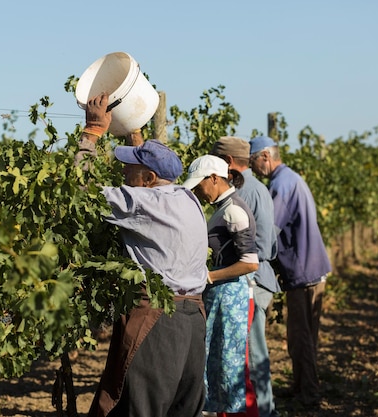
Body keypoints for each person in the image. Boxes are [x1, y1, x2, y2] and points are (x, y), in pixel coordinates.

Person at [77, 93, 210, 417]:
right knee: (181, 408)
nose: (123, 173)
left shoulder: (145, 203)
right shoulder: (186, 198)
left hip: (158, 321)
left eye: (130, 169)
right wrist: (133, 130)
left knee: (140, 408)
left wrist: (92, 132)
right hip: (192, 319)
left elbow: (81, 191)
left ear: (149, 179)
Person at [248, 136, 332, 407]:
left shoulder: (281, 185)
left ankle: (309, 394)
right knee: (305, 335)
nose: (253, 169)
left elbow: (270, 229)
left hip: (302, 270)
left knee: (300, 337)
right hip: (311, 267)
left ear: (265, 157)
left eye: (253, 162)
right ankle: (301, 387)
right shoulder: (291, 178)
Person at [183, 154, 260, 417]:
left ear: (214, 179)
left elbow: (250, 263)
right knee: (216, 364)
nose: (197, 191)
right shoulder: (223, 207)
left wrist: (210, 277)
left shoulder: (234, 210)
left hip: (231, 296)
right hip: (220, 295)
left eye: (199, 184)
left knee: (229, 365)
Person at [210, 137, 280, 417]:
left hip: (250, 281)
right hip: (259, 277)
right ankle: (264, 410)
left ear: (227, 163)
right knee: (252, 356)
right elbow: (271, 243)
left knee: (248, 357)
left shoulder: (242, 192)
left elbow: (257, 250)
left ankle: (263, 412)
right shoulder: (257, 188)